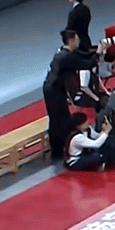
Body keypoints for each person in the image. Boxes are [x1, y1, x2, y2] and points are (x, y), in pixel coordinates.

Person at [43, 30, 101, 159]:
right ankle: (58, 151)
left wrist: (96, 50)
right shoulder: (67, 57)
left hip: (51, 89)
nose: (79, 41)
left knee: (59, 118)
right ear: (71, 40)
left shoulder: (62, 52)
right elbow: (87, 64)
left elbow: (84, 56)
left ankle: (61, 146)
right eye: (77, 39)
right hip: (54, 91)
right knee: (58, 120)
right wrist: (98, 53)